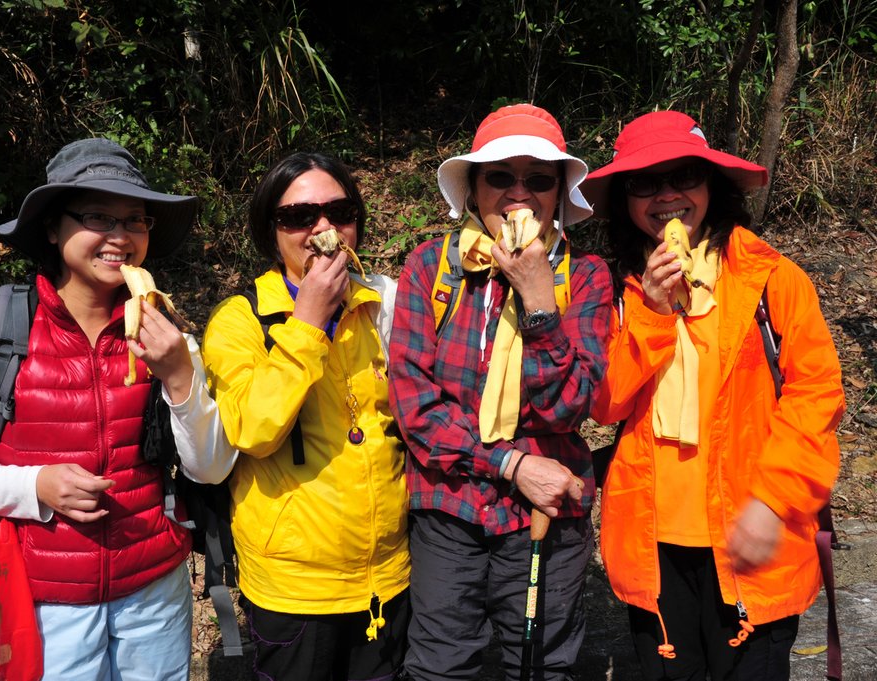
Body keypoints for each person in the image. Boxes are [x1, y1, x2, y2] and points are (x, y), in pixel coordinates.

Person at [0, 137, 238, 681]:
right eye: (97, 217)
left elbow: (210, 469)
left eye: (135, 220)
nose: (121, 237)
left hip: (153, 595)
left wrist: (179, 376)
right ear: (52, 228)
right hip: (37, 597)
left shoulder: (169, 340)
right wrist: (35, 486)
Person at [582, 110, 845, 681]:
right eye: (644, 183)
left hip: (751, 535)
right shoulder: (616, 290)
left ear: (712, 186)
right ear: (625, 201)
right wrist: (653, 312)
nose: (667, 196)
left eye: (685, 176)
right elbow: (605, 403)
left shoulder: (771, 280)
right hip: (653, 542)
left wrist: (773, 501)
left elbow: (816, 397)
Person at [388, 103, 612, 681]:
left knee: (540, 667)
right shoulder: (431, 268)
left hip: (547, 514)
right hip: (450, 506)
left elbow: (567, 407)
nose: (519, 194)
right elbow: (414, 405)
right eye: (499, 177)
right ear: (473, 190)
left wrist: (538, 301)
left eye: (538, 180)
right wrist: (510, 464)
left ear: (559, 193)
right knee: (439, 668)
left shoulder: (585, 276)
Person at [200, 152, 409, 681]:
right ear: (272, 235)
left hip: (386, 575)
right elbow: (253, 431)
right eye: (299, 217)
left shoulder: (380, 306)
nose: (323, 228)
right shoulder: (240, 321)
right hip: (294, 588)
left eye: (340, 212)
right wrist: (308, 321)